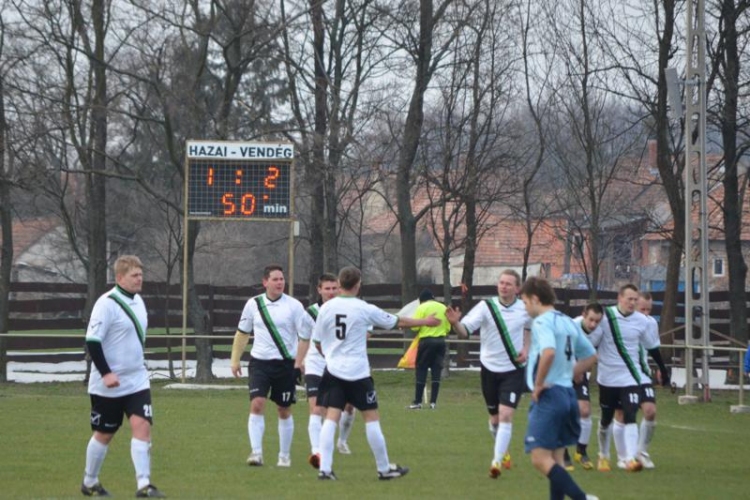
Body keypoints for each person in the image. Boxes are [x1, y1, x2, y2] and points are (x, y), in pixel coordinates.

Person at [312, 266, 440, 480]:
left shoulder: (326, 308)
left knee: (331, 418)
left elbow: (317, 342)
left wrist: (330, 356)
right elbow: (398, 321)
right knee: (371, 418)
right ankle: (384, 469)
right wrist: (425, 322)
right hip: (358, 374)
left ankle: (325, 469)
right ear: (358, 284)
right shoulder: (364, 308)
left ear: (340, 283)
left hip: (333, 371)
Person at [80, 255, 165, 498]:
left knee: (142, 426)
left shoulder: (139, 301)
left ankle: (144, 485)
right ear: (119, 278)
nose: (140, 279)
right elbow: (92, 341)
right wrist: (106, 373)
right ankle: (90, 481)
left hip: (137, 380)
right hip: (108, 384)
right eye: (134, 275)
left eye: (141, 274)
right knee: (105, 433)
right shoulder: (106, 304)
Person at [446, 269, 530, 479]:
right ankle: (503, 451)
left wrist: (527, 349)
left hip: (513, 371)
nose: (504, 286)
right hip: (489, 370)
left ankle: (496, 462)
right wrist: (455, 323)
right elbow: (465, 331)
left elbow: (531, 329)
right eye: (501, 282)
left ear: (517, 288)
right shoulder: (486, 307)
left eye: (508, 284)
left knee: (506, 415)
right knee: (494, 420)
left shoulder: (525, 309)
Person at [520, 277, 598, 500]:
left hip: (549, 396)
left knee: (539, 458)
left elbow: (549, 352)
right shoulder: (566, 321)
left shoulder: (543, 322)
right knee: (556, 459)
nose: (525, 308)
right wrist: (570, 373)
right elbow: (592, 355)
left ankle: (582, 498)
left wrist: (538, 385)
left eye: (525, 302)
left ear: (535, 299)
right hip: (567, 395)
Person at [231, 264, 310, 468]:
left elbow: (305, 336)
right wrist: (235, 359)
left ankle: (284, 456)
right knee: (257, 403)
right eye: (275, 279)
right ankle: (256, 453)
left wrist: (302, 361)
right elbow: (242, 332)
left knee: (283, 409)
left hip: (286, 364)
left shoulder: (294, 306)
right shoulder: (253, 304)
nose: (280, 283)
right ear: (265, 282)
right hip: (260, 363)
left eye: (282, 279)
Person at [589, 284, 661, 473]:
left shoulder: (643, 322)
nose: (633, 302)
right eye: (629, 299)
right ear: (619, 298)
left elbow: (651, 346)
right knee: (607, 420)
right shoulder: (606, 318)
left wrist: (662, 368)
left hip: (632, 376)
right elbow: (591, 340)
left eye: (635, 299)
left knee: (630, 414)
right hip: (608, 378)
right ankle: (603, 455)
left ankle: (630, 458)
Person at [294, 273, 357, 469]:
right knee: (316, 408)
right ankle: (316, 451)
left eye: (334, 288)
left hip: (341, 365)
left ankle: (342, 441)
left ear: (340, 288)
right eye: (327, 289)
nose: (330, 292)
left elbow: (364, 332)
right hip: (315, 365)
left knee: (348, 407)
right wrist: (298, 363)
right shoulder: (311, 313)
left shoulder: (348, 309)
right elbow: (304, 339)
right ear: (319, 290)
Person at [630, 291, 670, 469]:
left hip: (642, 373)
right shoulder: (625, 322)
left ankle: (642, 452)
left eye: (649, 309)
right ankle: (616, 454)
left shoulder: (651, 323)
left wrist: (662, 369)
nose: (646, 313)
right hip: (622, 374)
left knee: (650, 411)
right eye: (642, 309)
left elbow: (653, 348)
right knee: (623, 415)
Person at [563, 302, 604, 471]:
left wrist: (583, 368)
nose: (593, 325)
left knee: (585, 410)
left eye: (597, 321)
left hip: (581, 375)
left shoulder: (600, 332)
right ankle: (563, 453)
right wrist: (575, 369)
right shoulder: (571, 327)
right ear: (583, 315)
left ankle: (581, 451)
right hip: (563, 373)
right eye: (591, 320)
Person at [408, 288, 451, 409]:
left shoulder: (421, 307)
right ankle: (433, 403)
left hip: (426, 342)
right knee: (436, 370)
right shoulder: (443, 307)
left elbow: (414, 327)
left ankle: (418, 402)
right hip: (441, 342)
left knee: (421, 369)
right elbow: (448, 328)